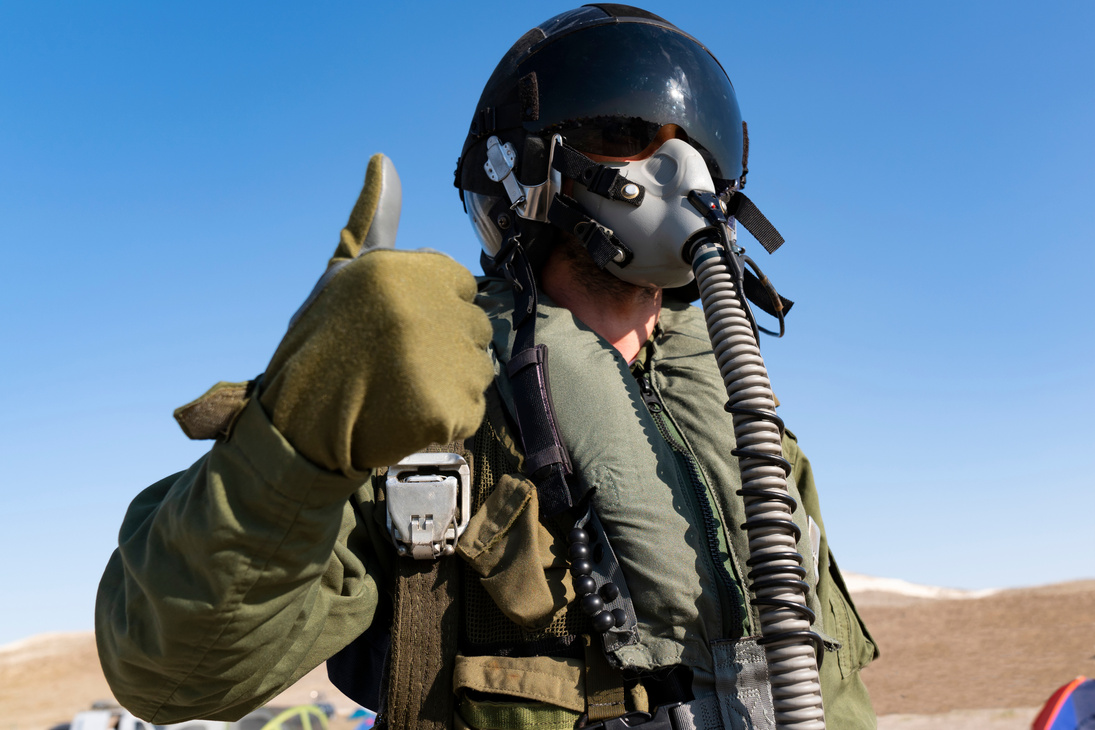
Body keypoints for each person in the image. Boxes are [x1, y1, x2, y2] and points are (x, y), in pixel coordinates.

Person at [95, 5, 878, 730]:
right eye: (625, 129)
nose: (682, 169)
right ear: (520, 167)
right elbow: (170, 672)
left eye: (700, 144)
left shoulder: (753, 433)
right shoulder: (419, 414)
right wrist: (304, 427)